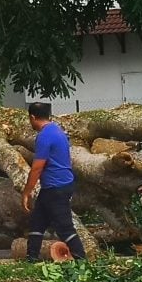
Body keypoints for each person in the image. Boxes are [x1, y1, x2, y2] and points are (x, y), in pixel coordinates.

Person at [21, 102, 86, 261]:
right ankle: (32, 257)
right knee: (38, 221)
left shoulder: (44, 136)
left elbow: (37, 168)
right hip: (56, 185)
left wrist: (27, 191)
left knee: (64, 227)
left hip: (56, 187)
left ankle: (81, 259)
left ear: (32, 117)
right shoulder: (57, 130)